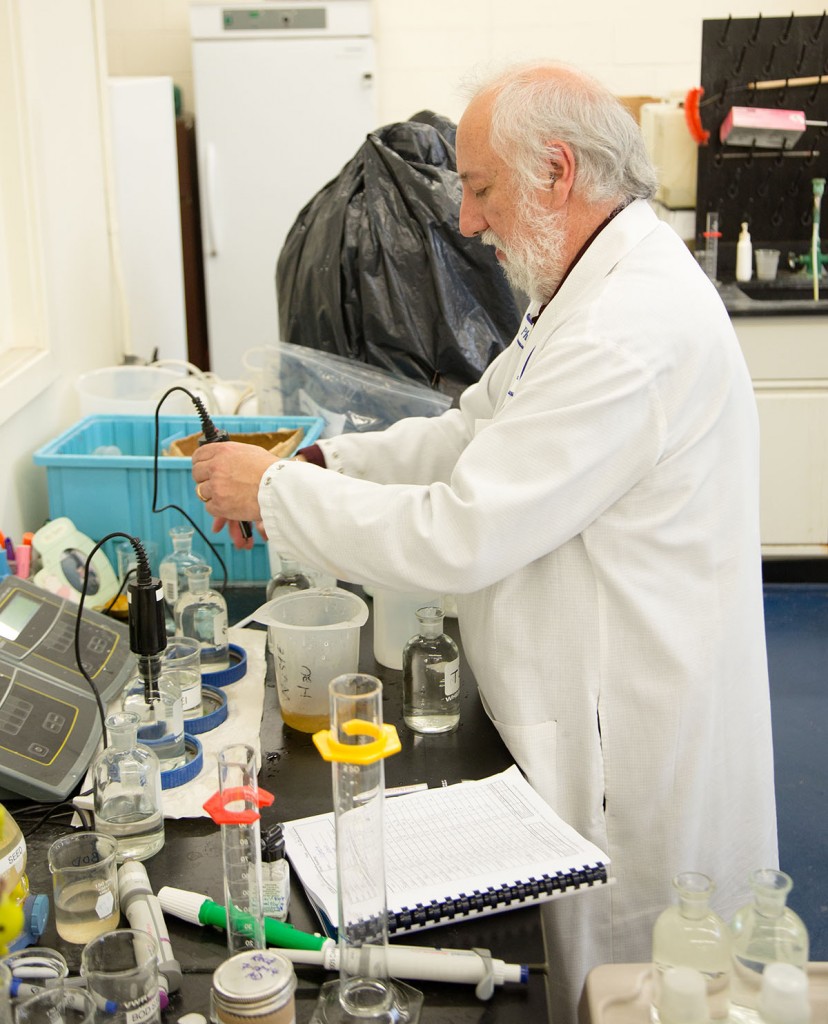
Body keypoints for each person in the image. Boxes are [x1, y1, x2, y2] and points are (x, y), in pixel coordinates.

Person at [192, 61, 778, 1022]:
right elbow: (472, 431)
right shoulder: (586, 284)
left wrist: (280, 491)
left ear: (555, 171)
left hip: (627, 732)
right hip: (576, 696)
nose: (466, 220)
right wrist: (325, 467)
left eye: (478, 188)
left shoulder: (627, 330)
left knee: (639, 983)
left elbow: (465, 534)